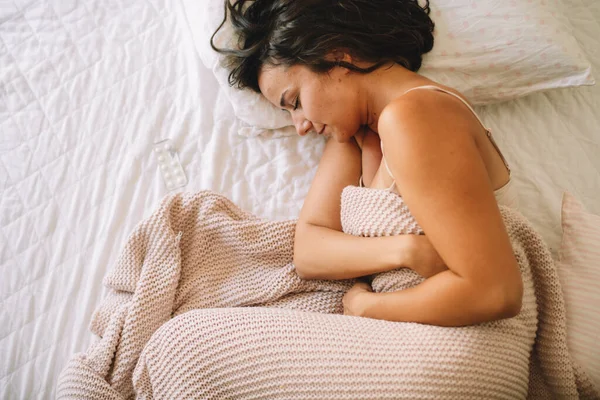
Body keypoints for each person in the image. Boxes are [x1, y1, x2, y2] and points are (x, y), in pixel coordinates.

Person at [212, 0, 523, 327]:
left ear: (337, 56)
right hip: (404, 329)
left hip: (462, 336)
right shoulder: (355, 134)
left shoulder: (416, 116)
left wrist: (365, 307)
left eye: (296, 102)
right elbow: (308, 251)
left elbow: (495, 292)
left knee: (190, 343)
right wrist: (407, 250)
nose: (300, 125)